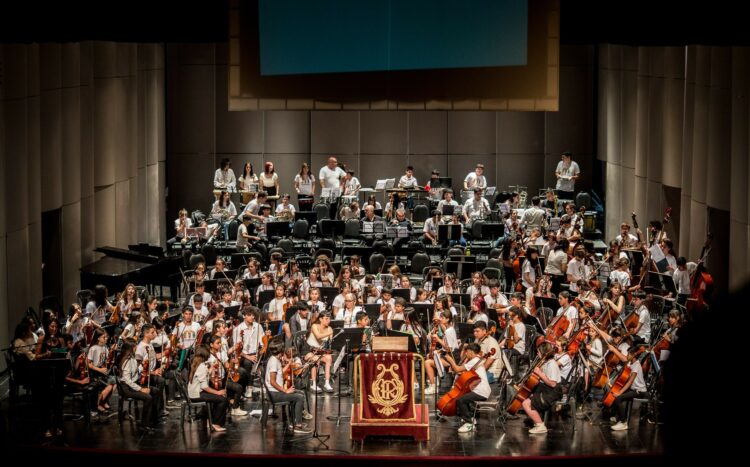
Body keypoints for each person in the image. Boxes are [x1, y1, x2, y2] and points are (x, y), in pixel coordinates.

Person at [265, 340, 312, 433]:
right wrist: (285, 391)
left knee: (300, 393)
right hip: (273, 394)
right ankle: (298, 426)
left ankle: (294, 422)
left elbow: (280, 373)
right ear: (281, 350)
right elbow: (272, 381)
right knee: (299, 397)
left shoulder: (274, 359)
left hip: (274, 392)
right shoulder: (274, 362)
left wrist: (288, 364)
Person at [443, 342, 490, 433]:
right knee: (464, 397)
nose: (465, 354)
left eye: (467, 352)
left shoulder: (475, 360)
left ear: (471, 352)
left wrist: (450, 360)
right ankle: (471, 418)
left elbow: (457, 369)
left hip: (481, 391)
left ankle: (469, 423)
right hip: (479, 389)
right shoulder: (477, 360)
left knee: (460, 400)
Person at [521, 341, 561, 434]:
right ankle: (537, 420)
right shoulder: (545, 362)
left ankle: (540, 425)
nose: (537, 353)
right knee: (526, 396)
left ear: (543, 352)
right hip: (545, 389)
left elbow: (553, 384)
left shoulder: (552, 364)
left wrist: (540, 374)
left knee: (526, 403)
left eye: (538, 351)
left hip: (552, 392)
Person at [188, 345, 228, 432]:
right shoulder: (202, 367)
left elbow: (203, 375)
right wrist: (218, 393)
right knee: (222, 399)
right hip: (197, 394)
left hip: (195, 393)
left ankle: (209, 421)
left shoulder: (198, 364)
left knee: (217, 397)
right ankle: (215, 423)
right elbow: (204, 387)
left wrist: (212, 368)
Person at [608, 344, 648, 431]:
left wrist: (620, 392)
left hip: (639, 391)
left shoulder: (636, 365)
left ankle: (623, 422)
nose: (627, 356)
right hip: (633, 389)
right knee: (613, 394)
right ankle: (618, 417)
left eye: (628, 354)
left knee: (618, 398)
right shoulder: (631, 364)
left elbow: (630, 382)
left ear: (633, 355)